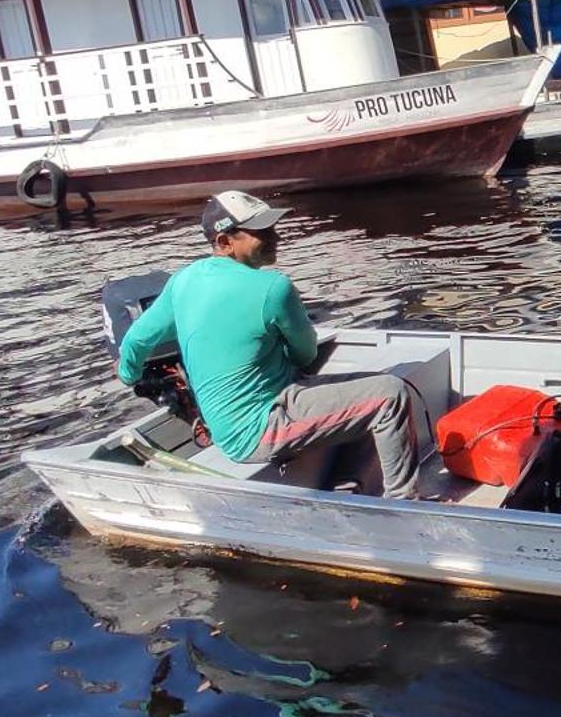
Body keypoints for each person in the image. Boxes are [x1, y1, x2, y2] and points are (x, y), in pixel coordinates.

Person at [115, 190, 422, 498]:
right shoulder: (275, 288)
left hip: (227, 426)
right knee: (390, 395)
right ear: (225, 243)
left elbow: (136, 341)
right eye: (262, 232)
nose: (275, 237)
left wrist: (129, 376)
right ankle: (404, 503)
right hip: (258, 428)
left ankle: (345, 487)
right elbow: (306, 354)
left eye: (272, 228)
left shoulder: (183, 280)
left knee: (358, 394)